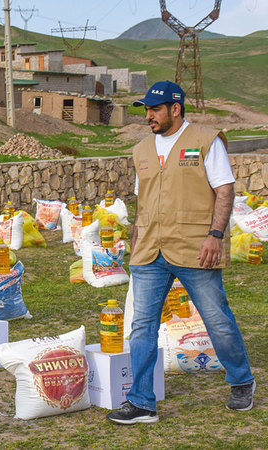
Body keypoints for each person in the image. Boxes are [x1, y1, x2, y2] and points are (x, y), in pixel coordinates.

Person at [107, 81, 254, 425]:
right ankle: (142, 402)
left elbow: (225, 190)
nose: (149, 116)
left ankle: (241, 381)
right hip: (148, 253)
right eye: (146, 109)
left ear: (176, 108)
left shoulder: (205, 140)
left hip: (195, 248)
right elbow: (143, 201)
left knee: (217, 320)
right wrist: (134, 242)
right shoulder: (142, 149)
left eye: (155, 109)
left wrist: (216, 236)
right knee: (141, 327)